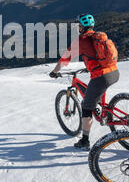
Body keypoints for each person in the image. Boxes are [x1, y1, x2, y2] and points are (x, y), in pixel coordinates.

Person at [50, 14, 120, 150]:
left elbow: (65, 59)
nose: (78, 28)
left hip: (101, 77)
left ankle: (85, 141)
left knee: (86, 107)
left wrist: (54, 71)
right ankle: (104, 112)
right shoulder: (99, 36)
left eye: (79, 26)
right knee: (96, 92)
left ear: (82, 27)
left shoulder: (81, 40)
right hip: (114, 72)